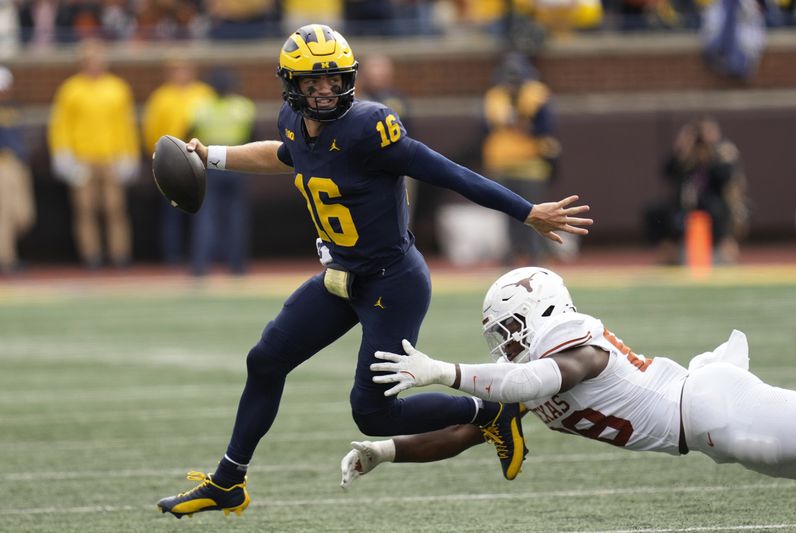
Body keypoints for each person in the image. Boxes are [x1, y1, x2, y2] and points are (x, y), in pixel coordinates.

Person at [155, 24, 592, 519]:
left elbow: (447, 171)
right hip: (342, 277)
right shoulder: (294, 124)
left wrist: (526, 210)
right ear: (291, 86)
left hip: (392, 282)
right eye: (312, 83)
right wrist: (209, 156)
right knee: (265, 360)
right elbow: (285, 155)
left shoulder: (370, 128)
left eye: (333, 80)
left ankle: (495, 411)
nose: (324, 91)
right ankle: (228, 482)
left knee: (372, 413)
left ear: (350, 79)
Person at [339, 266, 796, 488]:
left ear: (538, 312)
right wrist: (385, 451)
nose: (504, 343)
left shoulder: (570, 339)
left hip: (713, 408)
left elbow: (540, 380)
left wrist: (443, 371)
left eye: (508, 328)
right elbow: (466, 430)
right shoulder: (529, 370)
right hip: (705, 430)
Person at [48, 38, 140, 269]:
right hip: (83, 159)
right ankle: (92, 256)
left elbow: (125, 124)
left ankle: (119, 255)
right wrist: (64, 156)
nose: (94, 64)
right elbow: (61, 125)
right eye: (89, 60)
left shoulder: (118, 87)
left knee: (115, 209)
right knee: (85, 211)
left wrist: (129, 154)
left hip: (111, 157)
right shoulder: (70, 89)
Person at [482, 52, 564, 266]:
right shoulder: (495, 96)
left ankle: (537, 255)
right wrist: (519, 121)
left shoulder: (537, 94)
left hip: (531, 163)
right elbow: (487, 127)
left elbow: (542, 128)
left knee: (535, 212)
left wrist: (518, 120)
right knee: (509, 213)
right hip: (503, 163)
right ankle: (511, 253)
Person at [141, 57, 214, 266]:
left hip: (200, 158)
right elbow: (151, 129)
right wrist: (156, 156)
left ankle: (200, 255)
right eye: (175, 70)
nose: (180, 73)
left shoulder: (203, 94)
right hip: (171, 163)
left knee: (200, 210)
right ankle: (172, 256)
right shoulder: (161, 97)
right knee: (171, 211)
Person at [644, 117, 746, 265]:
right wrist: (683, 149)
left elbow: (726, 177)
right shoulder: (686, 157)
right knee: (656, 212)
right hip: (685, 205)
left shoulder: (720, 154)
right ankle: (668, 252)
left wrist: (714, 154)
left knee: (716, 210)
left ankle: (725, 249)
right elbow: (667, 172)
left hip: (713, 205)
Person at [188, 68, 256, 276]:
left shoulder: (201, 108)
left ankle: (201, 266)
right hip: (237, 163)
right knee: (236, 217)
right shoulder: (243, 107)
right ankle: (237, 266)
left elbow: (189, 138)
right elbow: (255, 137)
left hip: (210, 164)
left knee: (207, 216)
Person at [0, 65, 36, 274]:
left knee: (24, 216)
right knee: (5, 214)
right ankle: (7, 259)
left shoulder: (15, 107)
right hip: (3, 163)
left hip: (19, 164)